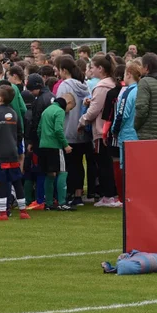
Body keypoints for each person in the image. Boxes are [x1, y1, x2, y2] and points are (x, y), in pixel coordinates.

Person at [80, 54, 120, 206]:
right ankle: (111, 195)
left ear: (100, 68)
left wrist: (82, 121)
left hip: (101, 129)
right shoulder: (112, 83)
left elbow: (95, 110)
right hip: (109, 128)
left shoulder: (102, 86)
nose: (90, 70)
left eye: (92, 67)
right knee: (107, 163)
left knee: (104, 164)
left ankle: (109, 196)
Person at [0, 84, 28, 221]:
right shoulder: (14, 113)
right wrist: (17, 149)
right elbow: (20, 133)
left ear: (1, 98)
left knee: (2, 182)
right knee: (16, 182)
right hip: (12, 153)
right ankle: (23, 211)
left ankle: (3, 213)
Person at [55, 56, 91, 205]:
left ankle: (69, 193)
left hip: (68, 129)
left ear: (64, 70)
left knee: (69, 164)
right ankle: (78, 193)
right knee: (79, 163)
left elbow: (59, 106)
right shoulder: (85, 85)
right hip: (83, 130)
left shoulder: (65, 86)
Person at [38, 95, 74, 210]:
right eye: (70, 108)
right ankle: (62, 202)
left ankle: (48, 203)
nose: (69, 111)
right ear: (68, 103)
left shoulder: (46, 111)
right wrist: (65, 145)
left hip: (43, 145)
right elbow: (58, 129)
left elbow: (39, 129)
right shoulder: (59, 111)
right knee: (62, 171)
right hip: (55, 146)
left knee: (50, 174)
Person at [24, 73, 53, 210]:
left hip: (41, 141)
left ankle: (40, 199)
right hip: (52, 139)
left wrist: (31, 141)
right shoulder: (52, 96)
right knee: (52, 170)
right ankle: (50, 199)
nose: (30, 93)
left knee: (40, 170)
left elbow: (36, 123)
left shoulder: (39, 100)